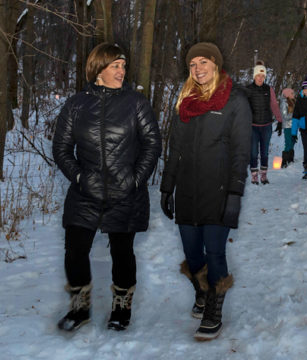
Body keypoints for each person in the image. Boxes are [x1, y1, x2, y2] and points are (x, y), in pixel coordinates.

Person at [52, 43, 161, 332]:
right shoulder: (76, 104)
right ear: (98, 69)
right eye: (115, 65)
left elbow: (152, 144)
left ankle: (121, 307)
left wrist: (135, 179)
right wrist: (79, 178)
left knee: (122, 253)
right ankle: (80, 306)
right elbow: (61, 149)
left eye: (123, 66)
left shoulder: (136, 103)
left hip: (126, 191)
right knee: (74, 250)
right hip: (85, 192)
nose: (122, 71)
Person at [159, 42, 251, 341]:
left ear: (215, 63)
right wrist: (166, 186)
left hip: (220, 189)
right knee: (191, 252)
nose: (197, 68)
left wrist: (235, 193)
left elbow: (241, 151)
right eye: (192, 64)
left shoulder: (235, 101)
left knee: (214, 251)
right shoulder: (185, 101)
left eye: (203, 62)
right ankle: (202, 290)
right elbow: (175, 149)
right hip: (187, 189)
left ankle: (213, 308)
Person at [246, 61, 283, 184]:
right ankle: (254, 175)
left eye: (263, 76)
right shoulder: (248, 90)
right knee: (253, 152)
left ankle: (263, 175)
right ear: (254, 76)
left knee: (264, 151)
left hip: (266, 125)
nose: (260, 78)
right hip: (253, 126)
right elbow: (243, 108)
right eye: (258, 75)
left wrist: (279, 120)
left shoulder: (269, 89)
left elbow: (274, 105)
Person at [280, 88, 297, 168]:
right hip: (287, 126)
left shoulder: (293, 101)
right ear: (287, 95)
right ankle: (284, 161)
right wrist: (294, 115)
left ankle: (290, 158)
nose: (293, 95)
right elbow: (285, 116)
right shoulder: (284, 103)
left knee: (293, 141)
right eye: (292, 93)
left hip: (294, 125)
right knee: (288, 142)